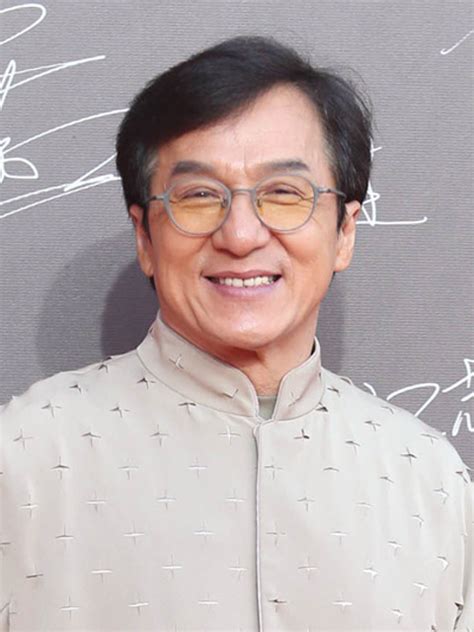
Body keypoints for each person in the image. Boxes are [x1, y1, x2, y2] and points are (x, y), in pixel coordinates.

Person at [1, 36, 472, 631]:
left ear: (344, 232)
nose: (241, 235)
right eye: (199, 196)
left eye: (284, 194)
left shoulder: (428, 480)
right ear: (145, 237)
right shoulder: (25, 456)